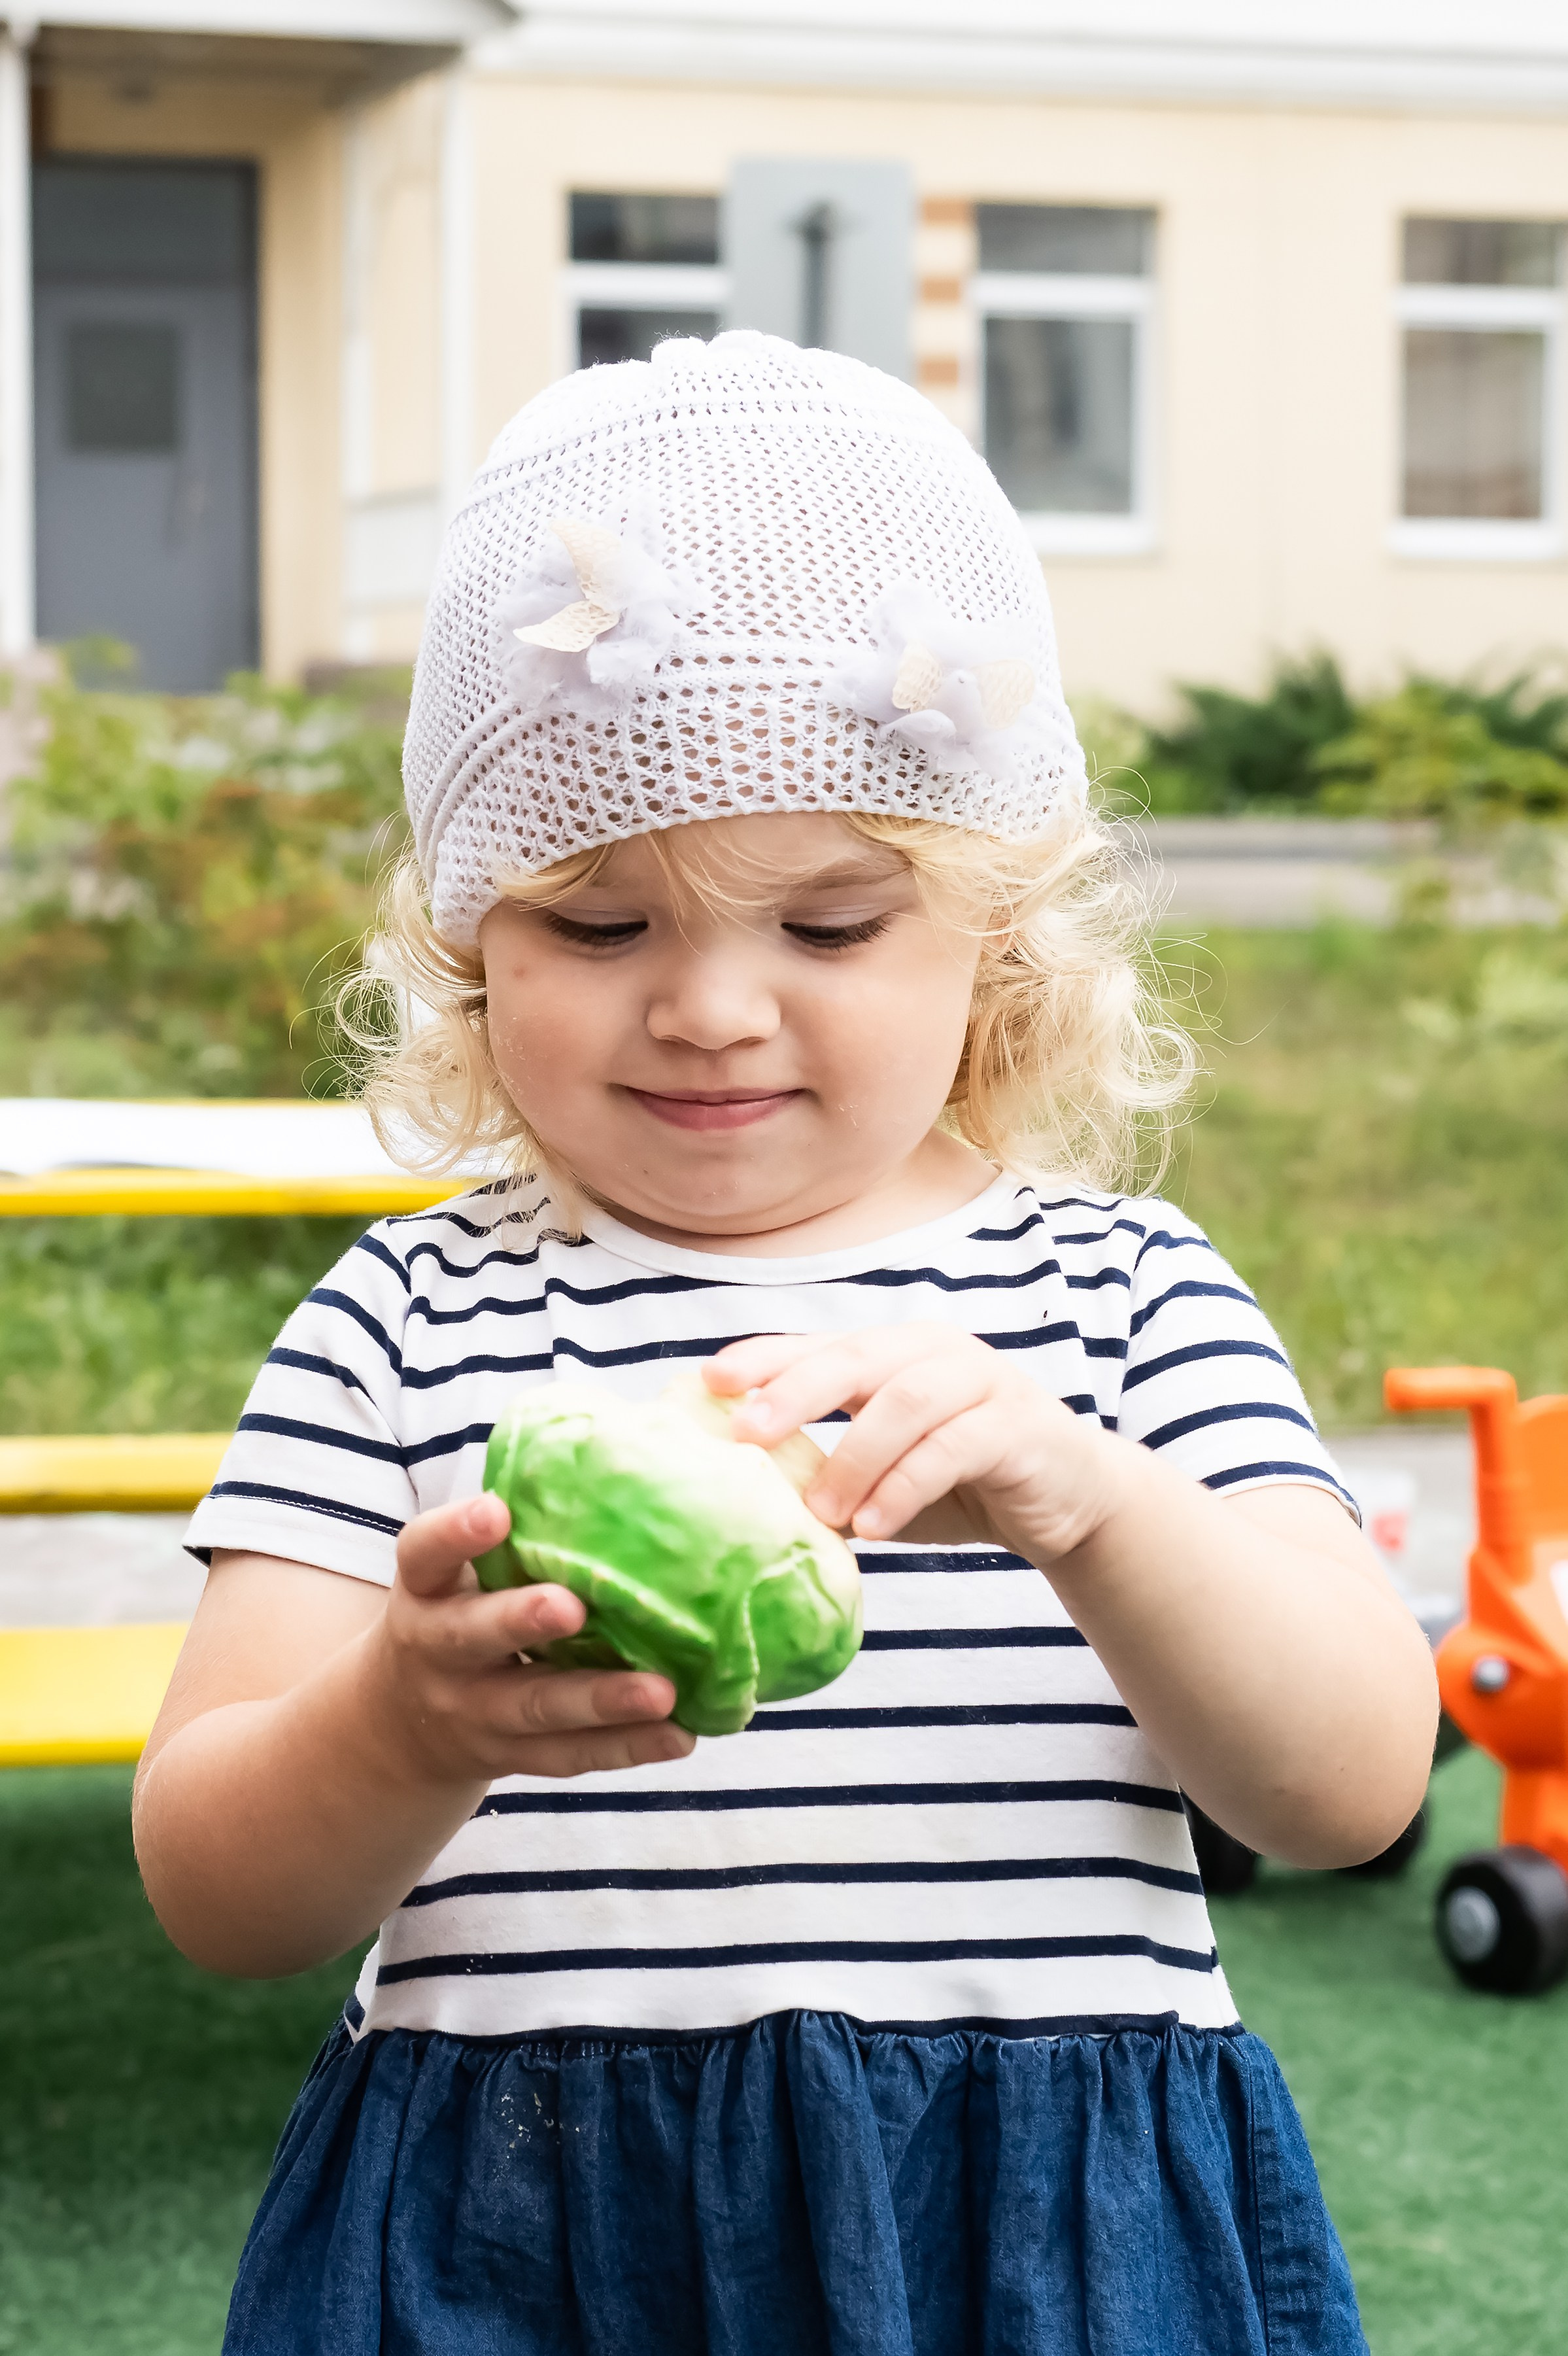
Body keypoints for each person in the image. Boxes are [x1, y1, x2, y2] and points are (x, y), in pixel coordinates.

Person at [136, 333, 1436, 2356]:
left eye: (828, 927)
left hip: (1036, 2238)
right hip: (526, 2229)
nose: (713, 1009)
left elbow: (1350, 1783)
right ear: (472, 950)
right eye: (599, 925)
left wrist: (1087, 1499)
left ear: (995, 947)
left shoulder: (1122, 1300)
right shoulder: (408, 1320)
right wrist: (404, 1723)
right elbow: (219, 1890)